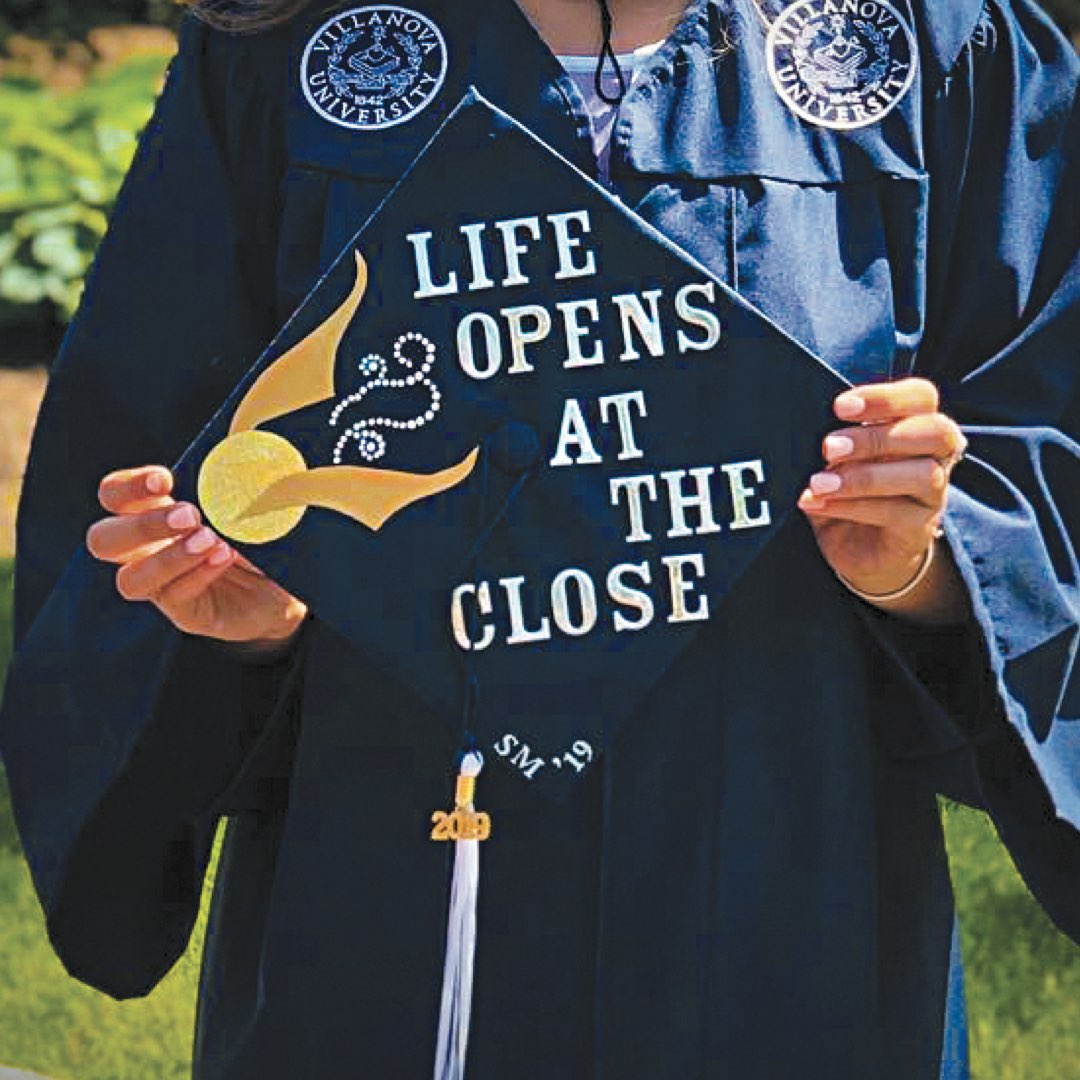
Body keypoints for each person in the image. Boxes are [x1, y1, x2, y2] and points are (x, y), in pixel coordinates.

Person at [1, 0, 1078, 1077]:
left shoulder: (942, 50)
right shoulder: (288, 57)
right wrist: (238, 609)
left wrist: (923, 560)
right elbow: (142, 474)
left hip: (789, 903)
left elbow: (1045, 460)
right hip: (384, 887)